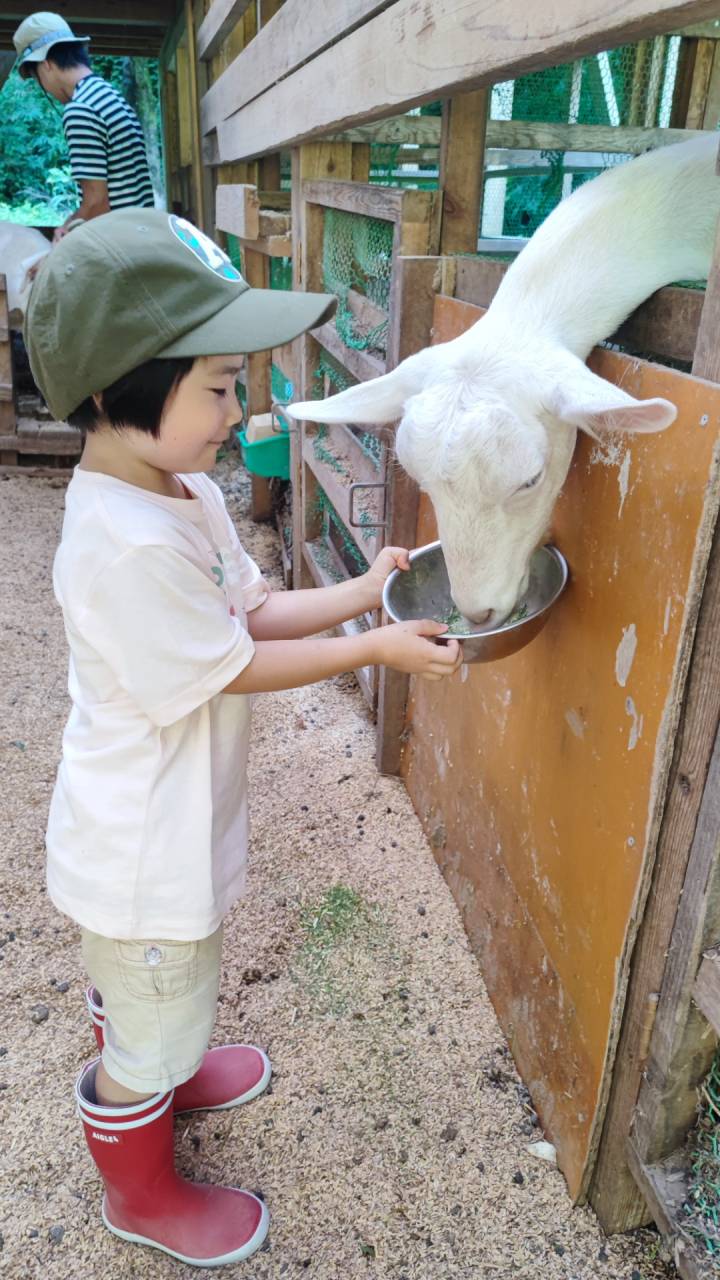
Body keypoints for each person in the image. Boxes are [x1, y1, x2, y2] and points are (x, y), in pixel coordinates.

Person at [25, 209, 462, 1267]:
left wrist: (368, 593)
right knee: (155, 1003)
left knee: (159, 987)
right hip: (140, 849)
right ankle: (142, 1189)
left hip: (168, 822)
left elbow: (249, 614)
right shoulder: (121, 547)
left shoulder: (179, 491)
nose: (239, 408)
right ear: (112, 390)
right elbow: (240, 663)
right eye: (218, 387)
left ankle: (163, 1060)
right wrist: (380, 652)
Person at [13, 11, 154, 242]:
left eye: (36, 76)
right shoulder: (108, 95)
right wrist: (69, 223)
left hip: (119, 248)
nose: (44, 87)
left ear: (46, 64)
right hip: (140, 238)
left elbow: (98, 204)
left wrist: (60, 247)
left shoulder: (80, 109)